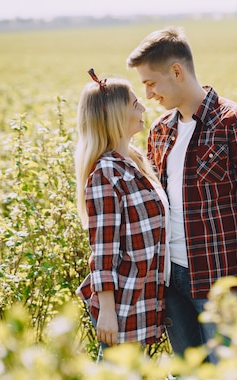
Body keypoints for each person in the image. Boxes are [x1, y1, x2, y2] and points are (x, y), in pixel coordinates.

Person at [126, 27, 237, 361]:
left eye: (151, 83)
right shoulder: (160, 130)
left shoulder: (234, 122)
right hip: (171, 281)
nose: (148, 94)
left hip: (221, 280)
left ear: (177, 72)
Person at [75, 68, 170, 351]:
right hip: (122, 301)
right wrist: (107, 311)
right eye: (133, 103)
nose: (142, 106)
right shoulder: (107, 173)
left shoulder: (135, 161)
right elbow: (103, 249)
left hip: (143, 294)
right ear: (116, 115)